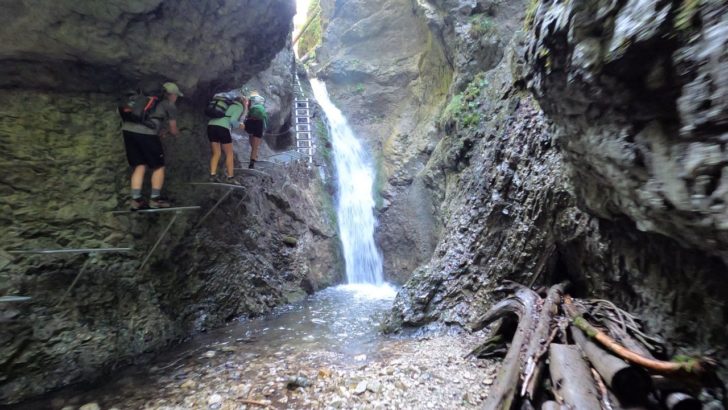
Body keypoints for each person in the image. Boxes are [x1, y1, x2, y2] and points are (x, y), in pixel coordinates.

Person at [121, 82, 182, 210]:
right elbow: (173, 129)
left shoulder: (142, 100)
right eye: (176, 95)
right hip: (146, 134)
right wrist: (177, 134)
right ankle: (155, 199)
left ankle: (136, 200)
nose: (176, 98)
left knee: (140, 165)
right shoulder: (168, 104)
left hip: (128, 132)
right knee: (158, 166)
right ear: (171, 95)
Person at [207, 92, 246, 183]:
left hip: (211, 126)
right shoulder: (239, 106)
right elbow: (232, 120)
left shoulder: (227, 105)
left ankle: (212, 175)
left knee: (216, 153)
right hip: (222, 128)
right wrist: (240, 125)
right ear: (242, 102)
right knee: (229, 154)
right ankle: (230, 177)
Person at [243, 90, 268, 169]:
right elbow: (265, 121)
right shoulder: (263, 109)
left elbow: (247, 115)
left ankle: (253, 152)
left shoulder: (253, 107)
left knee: (251, 135)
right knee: (256, 146)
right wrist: (264, 129)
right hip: (259, 124)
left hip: (250, 123)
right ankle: (252, 163)